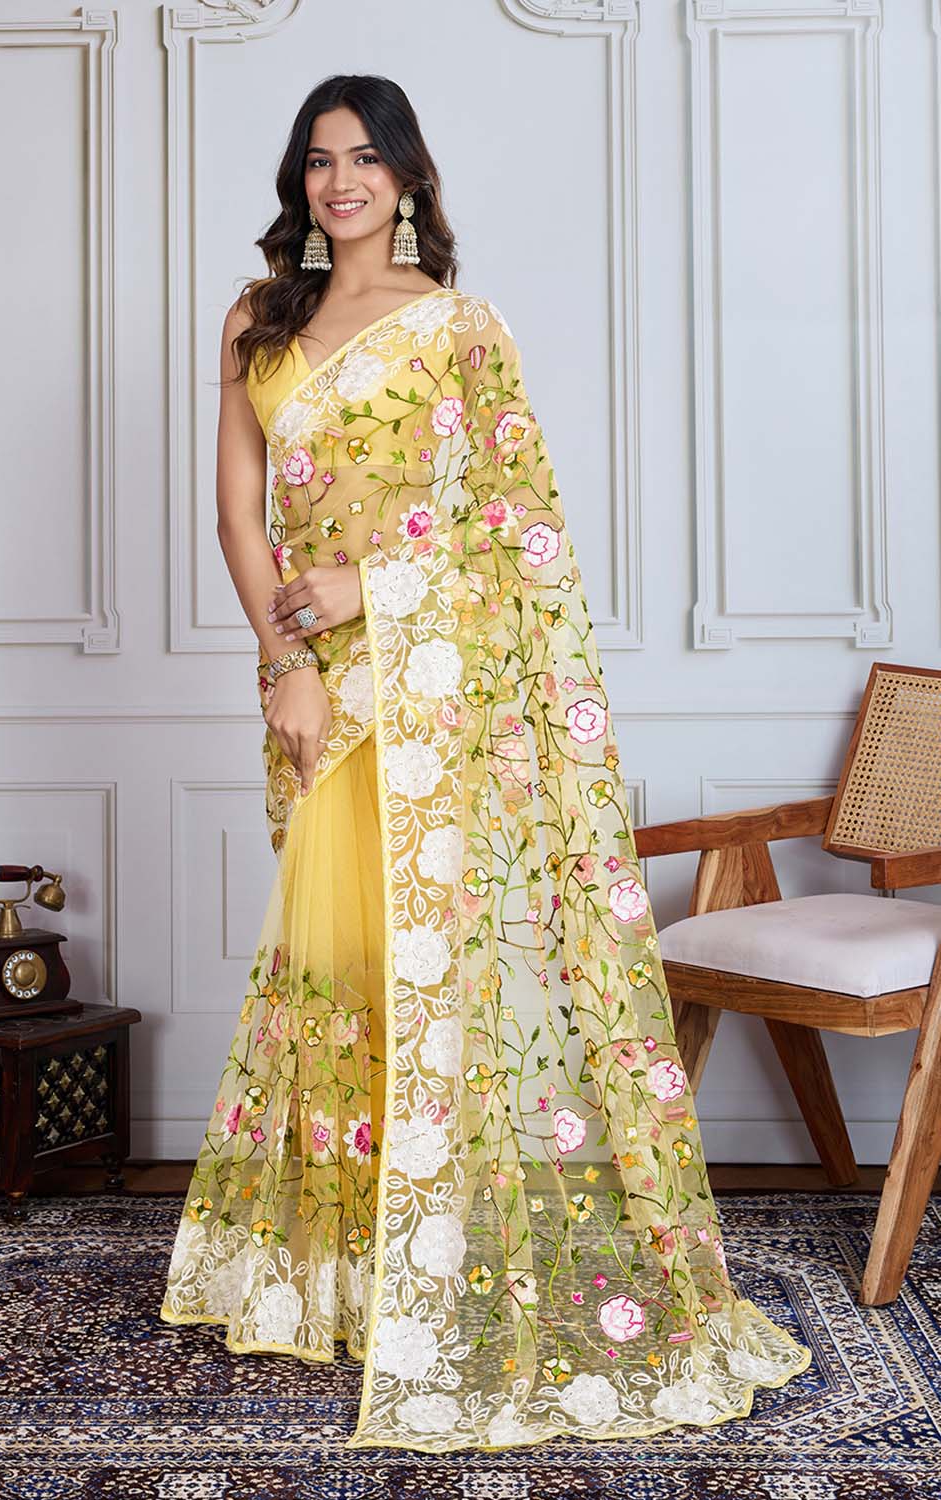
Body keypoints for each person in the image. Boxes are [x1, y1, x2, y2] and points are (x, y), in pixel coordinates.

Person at [159, 72, 811, 1454]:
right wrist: (286, 664)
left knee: (433, 971)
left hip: (437, 697)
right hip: (322, 696)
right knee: (338, 970)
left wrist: (365, 589)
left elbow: (520, 534)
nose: (342, 182)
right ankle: (344, 1279)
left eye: (365, 158)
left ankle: (444, 1267)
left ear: (407, 177)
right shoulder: (256, 318)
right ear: (301, 182)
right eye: (320, 161)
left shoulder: (459, 328)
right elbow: (236, 513)